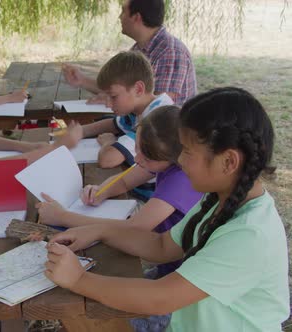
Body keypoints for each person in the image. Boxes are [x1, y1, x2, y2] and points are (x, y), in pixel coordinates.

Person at [45, 87, 289, 331]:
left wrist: (79, 278)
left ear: (228, 161)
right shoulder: (216, 200)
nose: (179, 160)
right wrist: (99, 231)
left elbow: (161, 298)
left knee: (86, 316)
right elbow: (161, 246)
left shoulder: (249, 235)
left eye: (188, 152)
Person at [37, 105, 203, 331]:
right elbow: (125, 181)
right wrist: (101, 190)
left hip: (182, 290)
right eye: (137, 148)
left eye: (146, 156)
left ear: (177, 157)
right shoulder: (162, 159)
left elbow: (135, 227)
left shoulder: (181, 180)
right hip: (167, 266)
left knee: (104, 315)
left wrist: (63, 216)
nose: (137, 158)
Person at [63, 0, 197, 105]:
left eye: (123, 12)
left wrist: (112, 99)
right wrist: (82, 81)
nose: (119, 17)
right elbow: (121, 88)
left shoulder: (171, 52)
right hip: (139, 126)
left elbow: (159, 106)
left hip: (164, 135)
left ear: (136, 17)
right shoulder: (139, 48)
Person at [80, 51, 173, 201]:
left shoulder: (156, 120)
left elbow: (108, 159)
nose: (108, 104)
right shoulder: (141, 108)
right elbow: (114, 123)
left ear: (138, 89)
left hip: (147, 200)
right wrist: (80, 131)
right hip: (132, 188)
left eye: (113, 97)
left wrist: (108, 142)